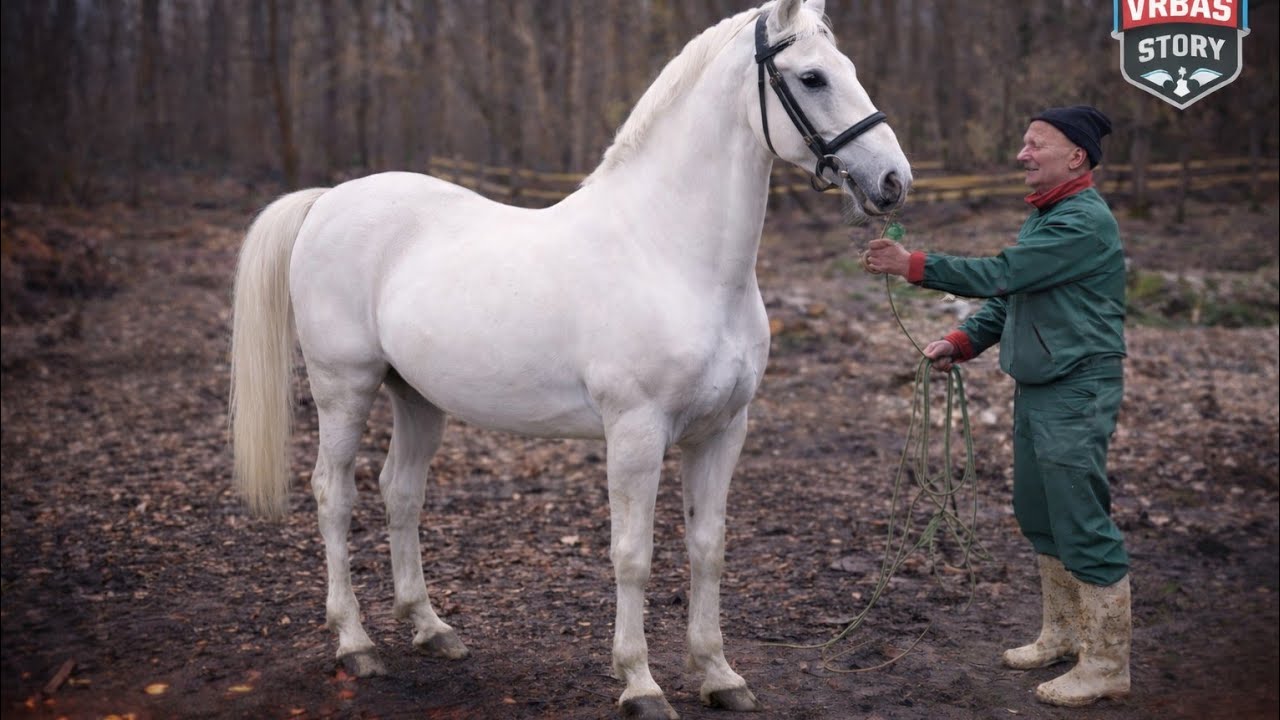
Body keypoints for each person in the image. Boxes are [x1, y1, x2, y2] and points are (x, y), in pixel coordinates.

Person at [863, 105, 1131, 708]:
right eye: (1023, 142)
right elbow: (1014, 295)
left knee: (1079, 516)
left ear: (1076, 156)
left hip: (1077, 387)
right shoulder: (1048, 217)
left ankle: (1108, 662)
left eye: (1036, 144)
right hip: (1040, 382)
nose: (1022, 154)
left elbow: (1003, 272)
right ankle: (1063, 635)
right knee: (1039, 512)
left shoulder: (1083, 221)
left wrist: (914, 266)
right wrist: (962, 342)